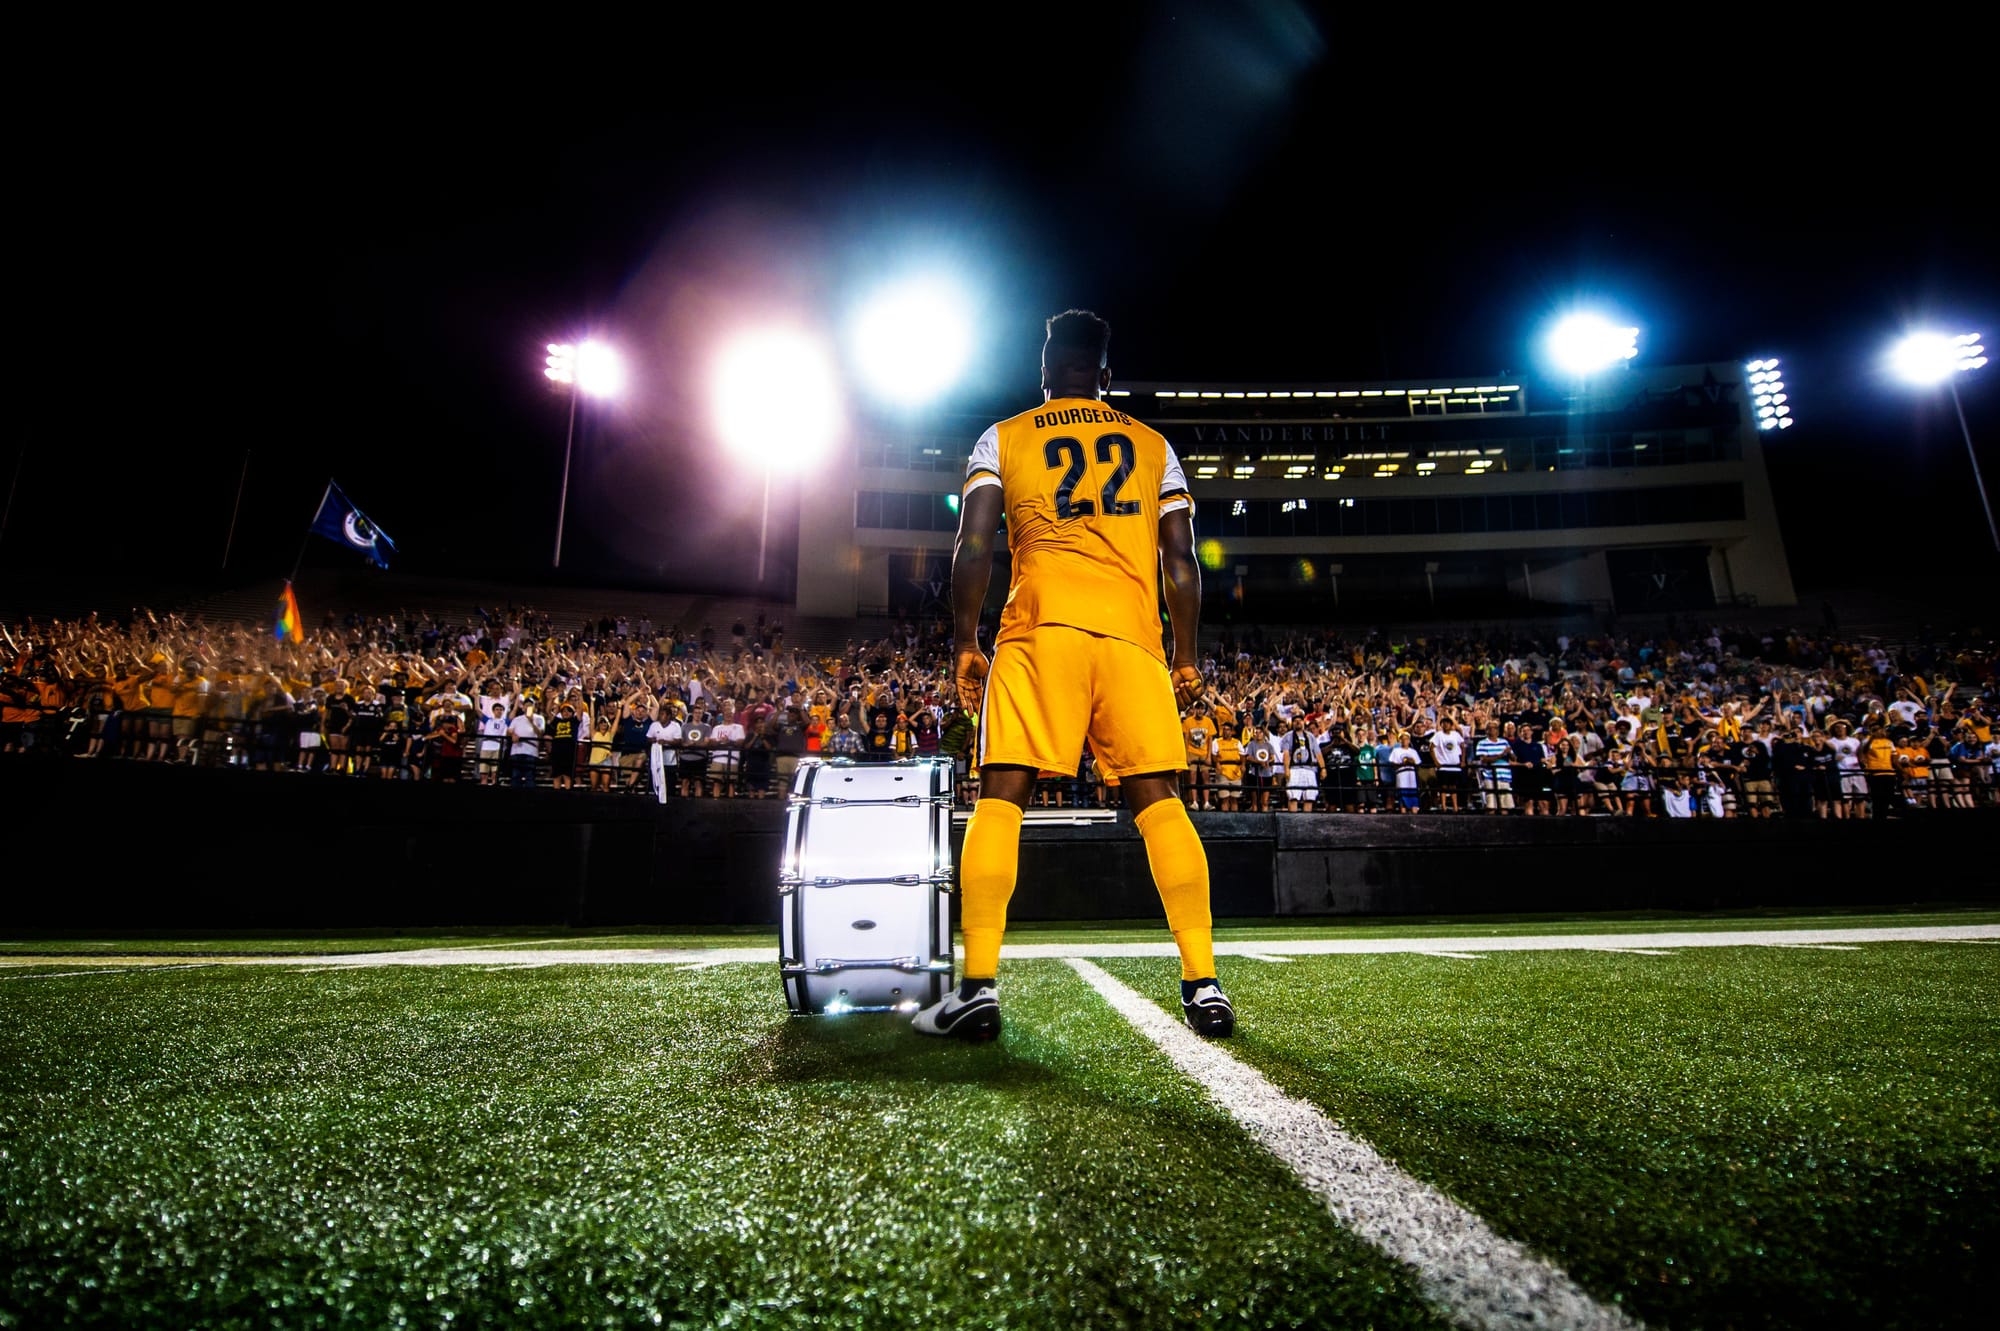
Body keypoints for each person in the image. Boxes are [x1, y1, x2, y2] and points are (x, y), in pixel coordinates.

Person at [912, 309, 1231, 1042]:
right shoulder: (1154, 446)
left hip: (1040, 628)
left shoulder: (1005, 435)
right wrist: (1185, 653)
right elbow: (1180, 560)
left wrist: (964, 639)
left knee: (1002, 796)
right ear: (1106, 376)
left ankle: (978, 986)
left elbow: (973, 544)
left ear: (1046, 372)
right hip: (1130, 638)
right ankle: (1203, 981)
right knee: (1160, 802)